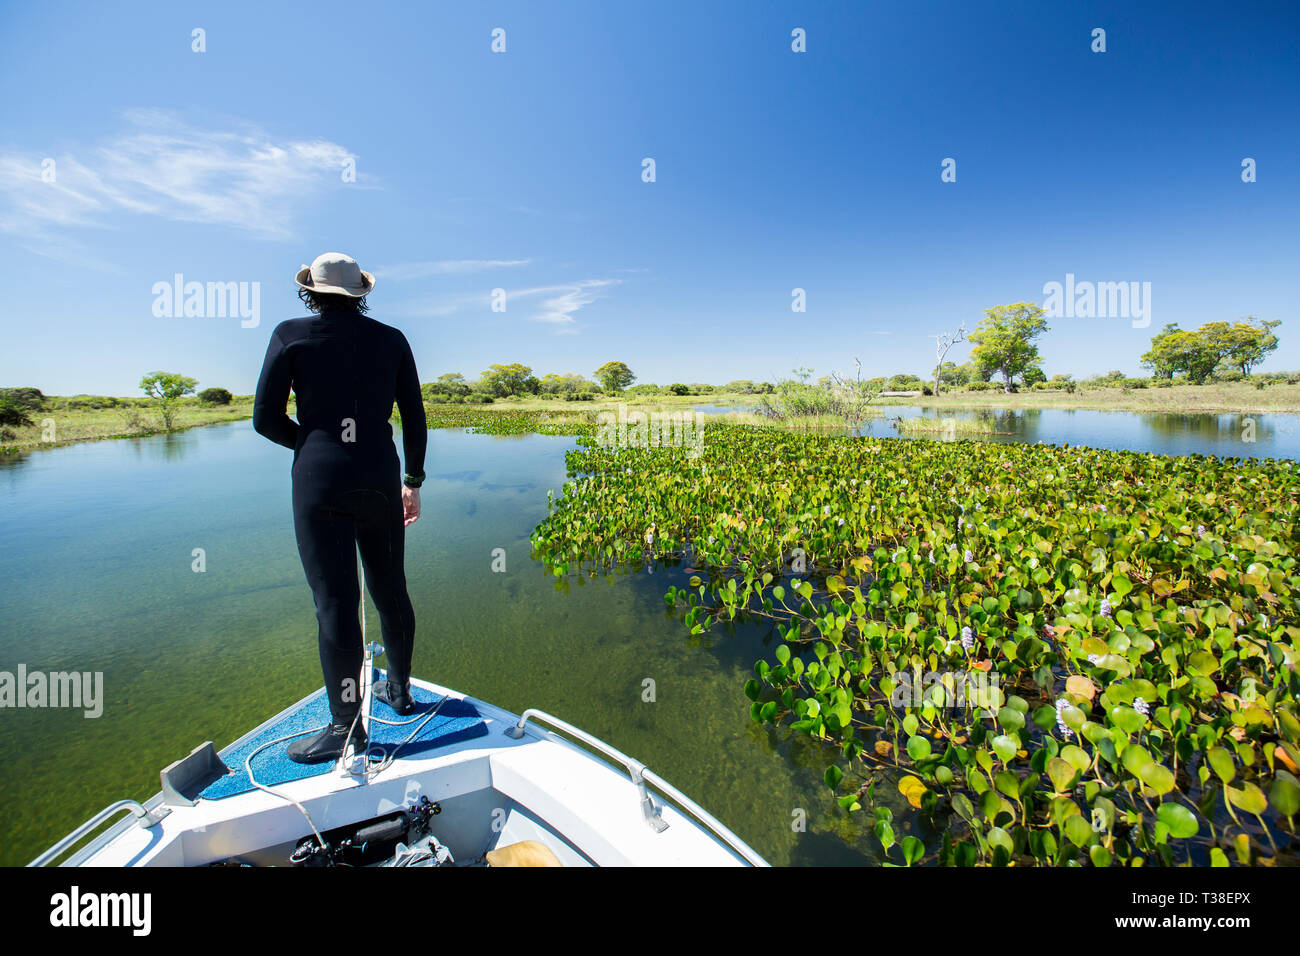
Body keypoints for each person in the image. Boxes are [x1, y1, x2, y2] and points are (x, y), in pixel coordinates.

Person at [253, 252, 427, 763]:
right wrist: (412, 482)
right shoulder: (391, 339)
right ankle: (399, 691)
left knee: (335, 603)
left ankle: (345, 726)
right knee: (390, 586)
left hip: (319, 481)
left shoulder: (290, 333)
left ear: (310, 290)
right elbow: (415, 421)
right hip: (379, 476)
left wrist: (313, 445)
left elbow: (265, 419)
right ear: (361, 292)